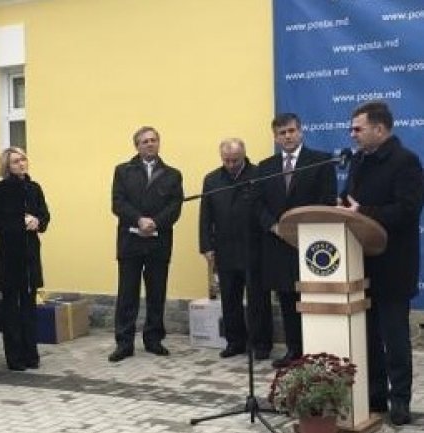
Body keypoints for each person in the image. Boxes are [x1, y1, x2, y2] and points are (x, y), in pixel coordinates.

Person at [337, 101, 423, 425]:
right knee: (368, 336)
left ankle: (399, 399)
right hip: (360, 263)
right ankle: (374, 394)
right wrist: (341, 205)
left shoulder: (407, 162)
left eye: (358, 128)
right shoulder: (359, 160)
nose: (353, 134)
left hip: (393, 265)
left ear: (380, 129)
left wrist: (363, 212)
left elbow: (407, 210)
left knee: (394, 336)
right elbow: (350, 198)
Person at [257, 113, 337, 368]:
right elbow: (257, 204)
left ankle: (316, 352)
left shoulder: (321, 161)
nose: (288, 136)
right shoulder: (265, 167)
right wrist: (274, 225)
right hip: (278, 244)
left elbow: (327, 199)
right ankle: (294, 351)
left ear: (301, 131)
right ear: (275, 137)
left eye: (291, 131)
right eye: (282, 133)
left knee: (312, 300)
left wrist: (305, 228)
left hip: (311, 246)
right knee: (287, 301)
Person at [109, 126, 183, 362]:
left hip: (158, 242)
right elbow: (118, 203)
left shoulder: (172, 174)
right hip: (130, 241)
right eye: (144, 141)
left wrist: (155, 223)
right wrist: (139, 220)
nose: (150, 144)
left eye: (153, 140)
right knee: (127, 293)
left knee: (156, 293)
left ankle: (153, 339)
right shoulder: (123, 171)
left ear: (159, 143)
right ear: (137, 146)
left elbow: (175, 207)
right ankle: (124, 343)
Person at [199, 138, 267, 358]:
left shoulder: (259, 174)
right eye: (226, 160)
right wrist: (207, 246)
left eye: (235, 160)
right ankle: (235, 342)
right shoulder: (211, 179)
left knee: (258, 299)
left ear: (244, 154)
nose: (230, 164)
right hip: (224, 249)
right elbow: (205, 216)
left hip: (254, 248)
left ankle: (260, 344)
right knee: (229, 299)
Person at [0, 147, 50, 371]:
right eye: (15, 161)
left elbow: (45, 215)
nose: (21, 164)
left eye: (23, 159)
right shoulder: (0, 189)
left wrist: (38, 222)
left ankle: (31, 354)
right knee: (11, 310)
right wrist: (17, 223)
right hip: (9, 254)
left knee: (29, 308)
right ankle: (14, 357)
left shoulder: (34, 188)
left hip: (30, 254)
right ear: (7, 165)